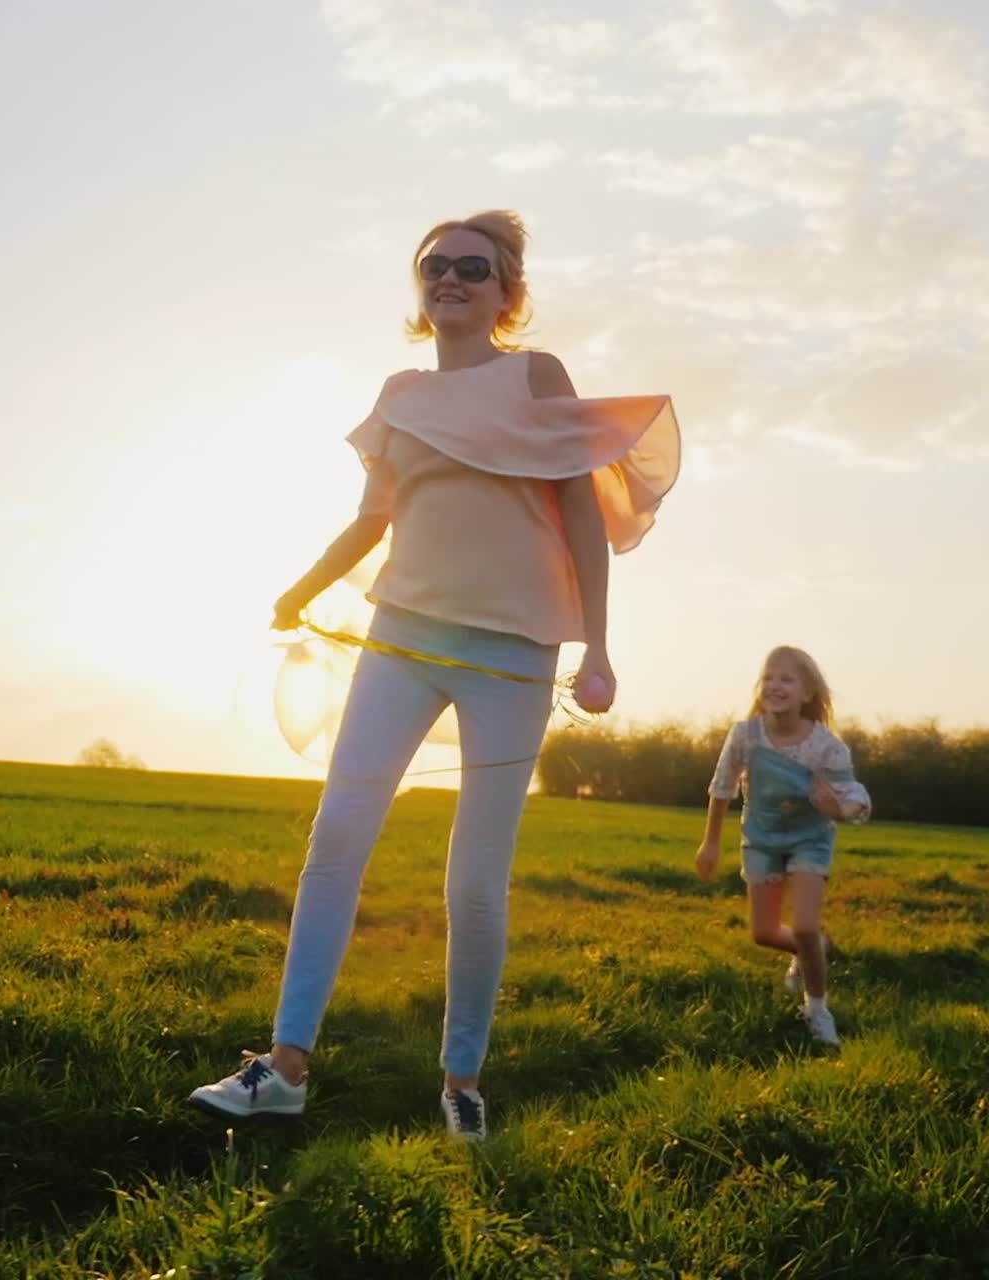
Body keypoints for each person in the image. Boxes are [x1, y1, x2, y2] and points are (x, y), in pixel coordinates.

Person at [190, 210, 679, 1139]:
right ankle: (284, 1065)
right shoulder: (400, 393)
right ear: (421, 289)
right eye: (434, 267)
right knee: (336, 837)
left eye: (473, 267)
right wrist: (301, 587)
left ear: (507, 292)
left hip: (514, 654)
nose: (450, 278)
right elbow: (372, 518)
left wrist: (599, 646)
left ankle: (461, 1080)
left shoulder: (535, 376)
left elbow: (579, 511)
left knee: (475, 880)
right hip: (402, 640)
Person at [695, 646, 871, 1047]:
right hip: (761, 840)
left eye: (786, 679)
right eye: (768, 678)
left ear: (808, 693)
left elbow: (855, 797)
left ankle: (817, 1009)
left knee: (805, 924)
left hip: (810, 838)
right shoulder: (745, 735)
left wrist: (839, 808)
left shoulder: (826, 746)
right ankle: (818, 949)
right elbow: (721, 789)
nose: (775, 685)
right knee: (764, 933)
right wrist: (710, 844)